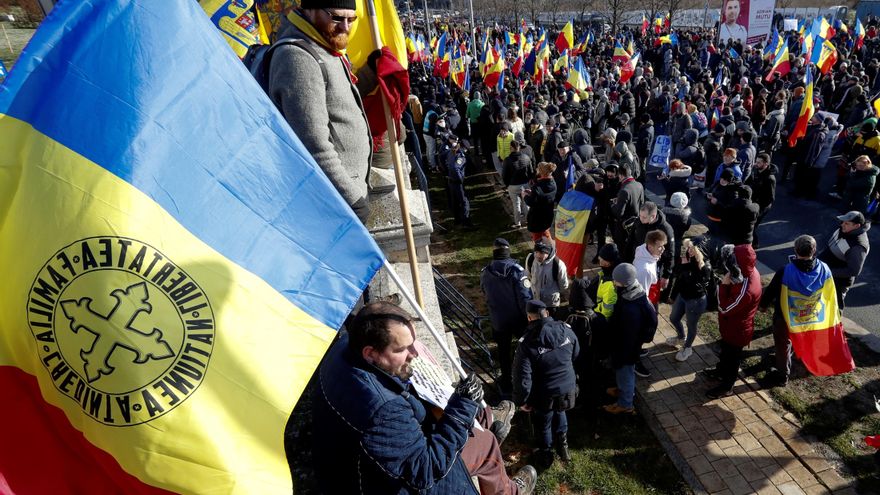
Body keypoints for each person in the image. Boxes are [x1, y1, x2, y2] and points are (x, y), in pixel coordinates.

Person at [312, 302, 537, 494]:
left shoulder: (347, 345)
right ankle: (510, 489)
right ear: (370, 353)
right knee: (486, 445)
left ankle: (487, 419)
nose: (414, 353)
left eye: (413, 343)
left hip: (371, 458)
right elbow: (425, 471)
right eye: (403, 349)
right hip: (384, 483)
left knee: (474, 411)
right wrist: (462, 408)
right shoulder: (383, 410)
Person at [269, 1, 372, 222]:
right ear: (311, 9)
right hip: (335, 204)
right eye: (336, 18)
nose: (345, 27)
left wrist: (369, 73)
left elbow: (339, 104)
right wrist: (352, 200)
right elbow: (314, 145)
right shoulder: (298, 57)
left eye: (351, 19)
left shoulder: (324, 45)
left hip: (344, 196)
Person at [513, 300, 579, 465]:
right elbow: (576, 353)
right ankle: (563, 445)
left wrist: (522, 401)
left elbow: (522, 376)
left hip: (544, 394)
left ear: (529, 318)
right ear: (547, 313)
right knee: (560, 410)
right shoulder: (566, 330)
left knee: (544, 422)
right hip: (568, 389)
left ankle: (546, 452)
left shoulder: (526, 343)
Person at [703, 244, 761, 399]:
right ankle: (720, 371)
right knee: (725, 353)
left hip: (737, 331)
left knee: (732, 359)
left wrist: (723, 286)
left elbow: (724, 307)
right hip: (731, 327)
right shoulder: (746, 272)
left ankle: (727, 386)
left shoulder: (746, 290)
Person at [481, 238, 533, 394]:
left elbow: (484, 292)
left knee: (503, 352)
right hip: (518, 319)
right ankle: (527, 378)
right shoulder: (517, 271)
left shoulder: (486, 272)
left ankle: (506, 380)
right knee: (526, 348)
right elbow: (525, 298)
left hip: (498, 319)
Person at [604, 263, 657, 414]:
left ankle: (625, 404)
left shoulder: (630, 309)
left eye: (616, 281)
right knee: (624, 372)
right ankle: (623, 390)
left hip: (626, 349)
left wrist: (620, 353)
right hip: (628, 345)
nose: (614, 283)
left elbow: (627, 335)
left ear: (624, 283)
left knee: (625, 371)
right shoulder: (633, 292)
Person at [666, 239, 713, 361]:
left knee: (691, 324)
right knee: (673, 318)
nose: (688, 251)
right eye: (687, 248)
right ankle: (681, 337)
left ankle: (688, 348)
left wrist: (685, 266)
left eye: (691, 249)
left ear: (699, 251)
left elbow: (695, 285)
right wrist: (673, 295)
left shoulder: (705, 267)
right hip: (682, 295)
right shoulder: (685, 256)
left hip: (696, 300)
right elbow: (677, 275)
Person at [818, 211, 871, 308]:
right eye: (843, 222)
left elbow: (854, 270)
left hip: (838, 282)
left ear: (857, 226)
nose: (842, 224)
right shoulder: (844, 229)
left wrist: (829, 272)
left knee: (835, 307)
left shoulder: (858, 247)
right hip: (826, 274)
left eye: (846, 223)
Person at [525, 239, 569, 318]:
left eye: (541, 253)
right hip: (535, 300)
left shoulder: (558, 265)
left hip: (550, 304)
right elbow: (528, 275)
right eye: (536, 252)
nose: (538, 255)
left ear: (548, 252)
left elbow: (564, 285)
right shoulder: (530, 259)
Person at [502, 139, 534, 229]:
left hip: (513, 185)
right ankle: (528, 220)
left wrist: (507, 184)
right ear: (519, 147)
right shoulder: (526, 157)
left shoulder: (507, 160)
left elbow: (504, 175)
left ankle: (518, 223)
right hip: (525, 184)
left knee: (516, 204)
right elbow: (531, 171)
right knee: (526, 203)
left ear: (511, 148)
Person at [747, 153, 777, 247]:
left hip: (762, 206)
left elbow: (770, 198)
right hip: (754, 202)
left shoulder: (769, 179)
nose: (756, 164)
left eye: (759, 163)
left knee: (753, 225)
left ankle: (754, 244)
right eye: (756, 161)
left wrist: (759, 209)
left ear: (766, 164)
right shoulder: (757, 171)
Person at [524, 162, 558, 241]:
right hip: (548, 214)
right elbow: (543, 196)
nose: (536, 170)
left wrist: (525, 196)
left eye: (538, 168)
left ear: (541, 172)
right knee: (545, 232)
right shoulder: (553, 182)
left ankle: (540, 251)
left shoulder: (537, 186)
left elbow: (531, 202)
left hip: (537, 217)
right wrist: (532, 193)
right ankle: (551, 248)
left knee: (537, 239)